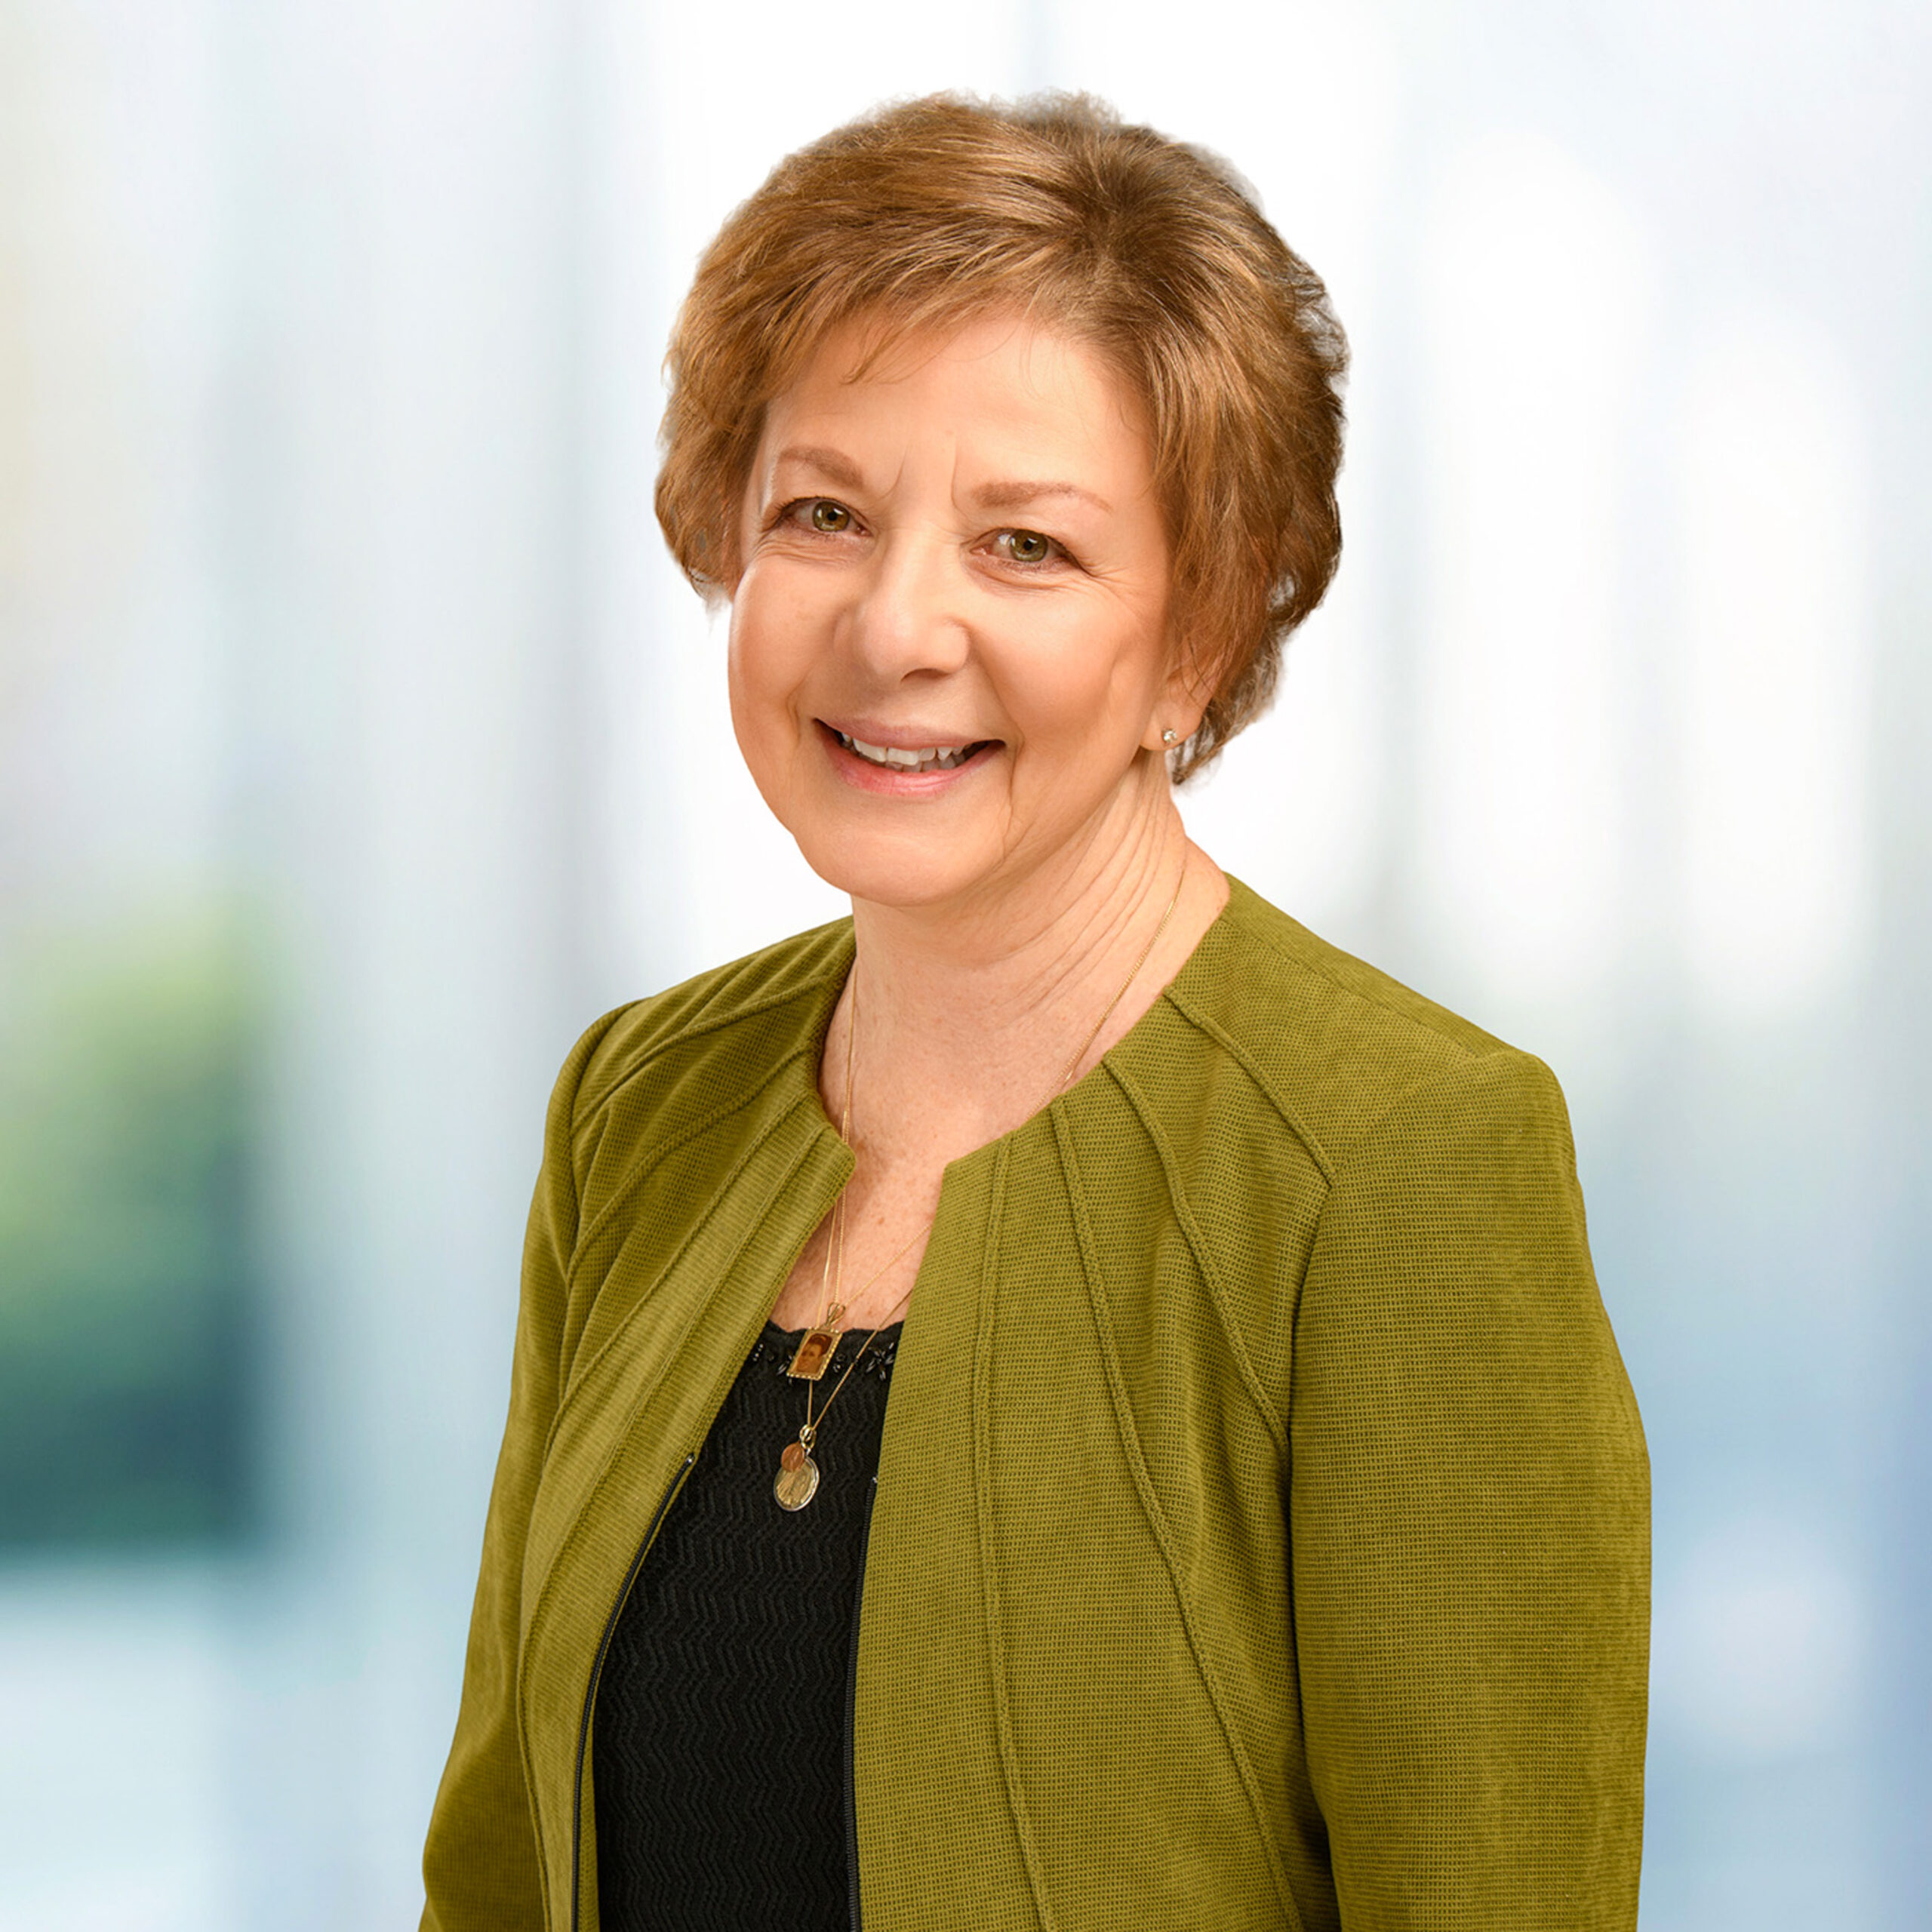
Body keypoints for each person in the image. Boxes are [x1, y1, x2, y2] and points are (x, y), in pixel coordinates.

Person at [420, 92, 1649, 1932]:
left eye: (1025, 547)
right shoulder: (637, 1100)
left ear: (1201, 634)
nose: (895, 625)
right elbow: (503, 1868)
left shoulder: (1400, 1161)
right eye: (822, 512)